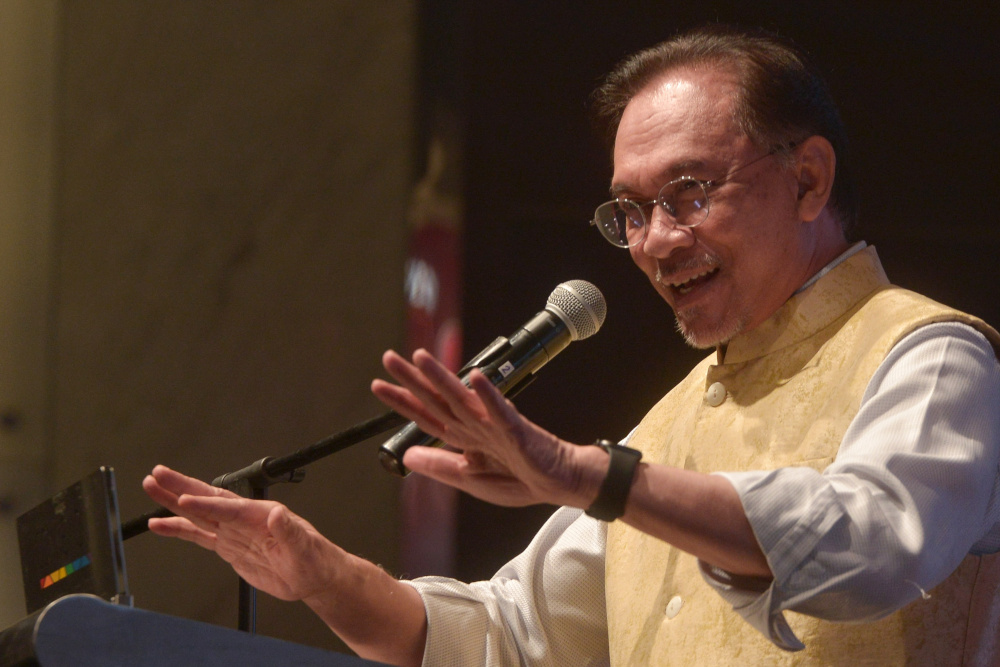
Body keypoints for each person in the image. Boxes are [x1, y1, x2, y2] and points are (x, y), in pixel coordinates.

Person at [142, 25, 1000, 666]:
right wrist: (325, 575)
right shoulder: (665, 430)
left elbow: (879, 543)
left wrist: (591, 475)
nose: (656, 241)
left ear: (809, 179)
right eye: (630, 211)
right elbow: (508, 636)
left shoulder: (931, 353)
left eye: (690, 193)